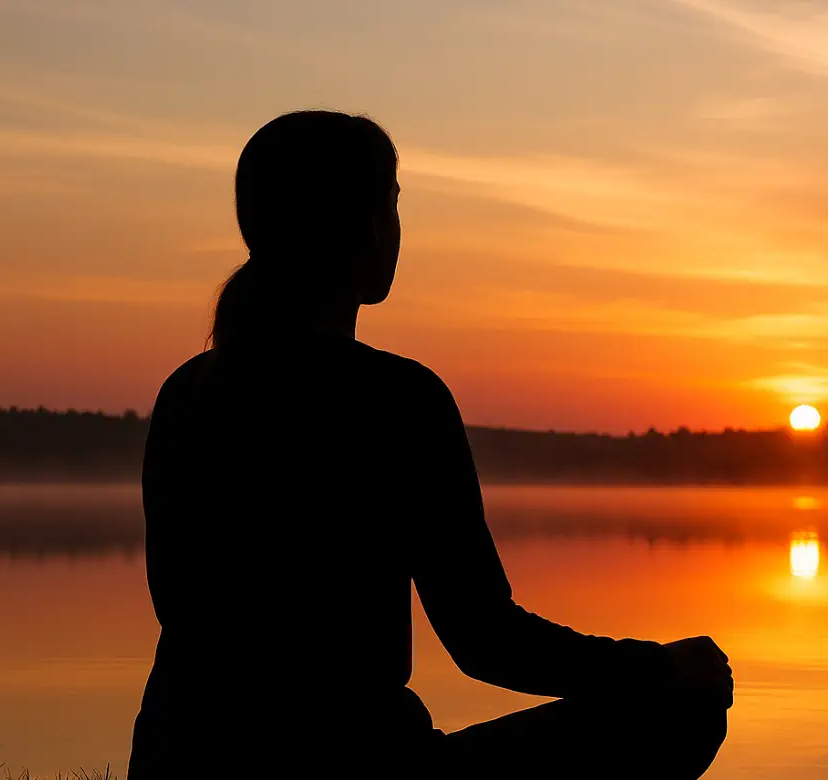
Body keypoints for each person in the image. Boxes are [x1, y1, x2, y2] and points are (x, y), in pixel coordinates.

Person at [127, 110, 731, 779]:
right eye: (388, 203)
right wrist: (658, 665)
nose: (397, 229)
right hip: (366, 772)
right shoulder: (398, 399)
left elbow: (181, 616)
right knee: (685, 707)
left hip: (177, 764)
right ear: (354, 226)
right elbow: (485, 641)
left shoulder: (188, 392)